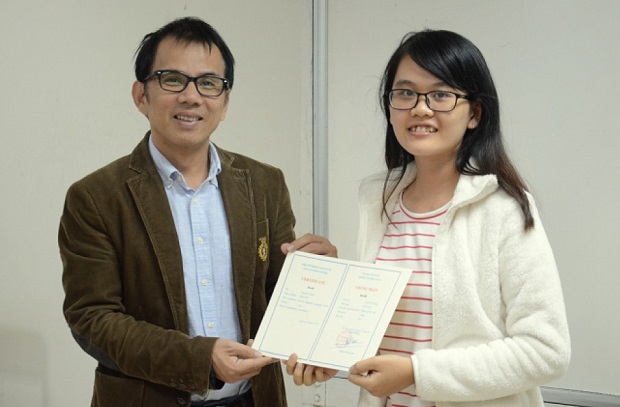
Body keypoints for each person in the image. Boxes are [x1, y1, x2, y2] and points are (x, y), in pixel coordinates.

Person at [59, 17, 336, 407]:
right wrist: (200, 359)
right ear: (141, 95)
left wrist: (320, 279)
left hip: (254, 398)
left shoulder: (264, 183)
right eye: (173, 79)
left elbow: (279, 296)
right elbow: (93, 320)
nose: (192, 97)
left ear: (224, 103)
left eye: (208, 83)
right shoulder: (96, 197)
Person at [285, 29, 570, 407]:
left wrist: (418, 374)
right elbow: (388, 332)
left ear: (475, 114)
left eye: (441, 95)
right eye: (405, 93)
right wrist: (326, 328)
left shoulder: (504, 208)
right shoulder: (378, 201)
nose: (420, 108)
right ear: (390, 107)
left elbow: (546, 350)